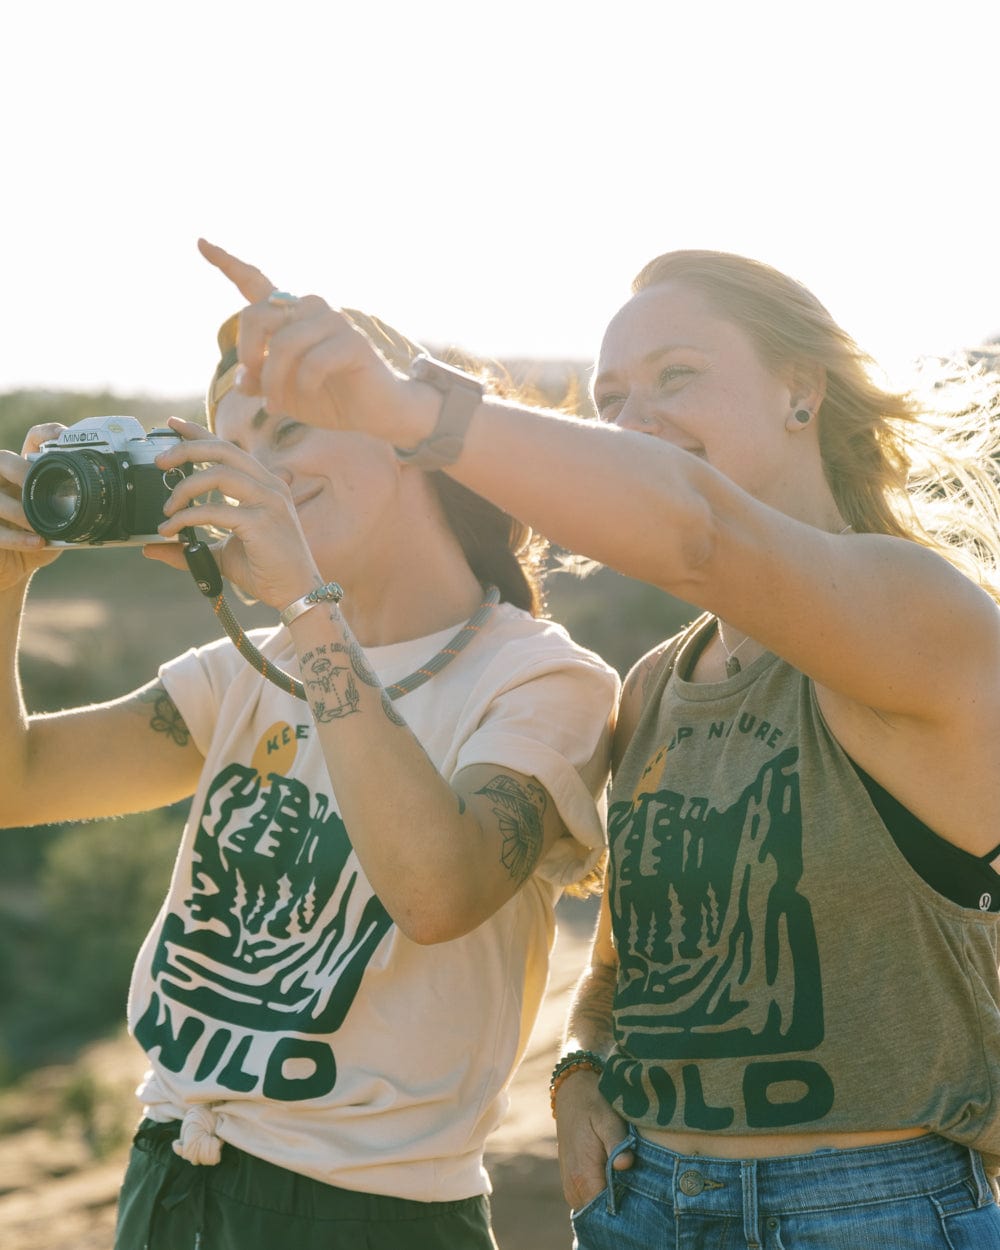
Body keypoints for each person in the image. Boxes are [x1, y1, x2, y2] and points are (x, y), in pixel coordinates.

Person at [202, 239, 1000, 1247]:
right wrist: (582, 1059)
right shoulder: (660, 680)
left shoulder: (926, 611)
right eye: (610, 398)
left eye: (676, 377)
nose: (634, 421)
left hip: (868, 1208)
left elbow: (698, 533)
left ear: (802, 389)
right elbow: (634, 952)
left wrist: (406, 409)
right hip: (644, 1199)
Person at [0, 287, 620, 1249]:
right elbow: (18, 783)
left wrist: (306, 606)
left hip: (371, 1213)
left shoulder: (543, 681)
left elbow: (434, 890)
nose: (260, 467)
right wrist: (4, 587)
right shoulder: (250, 667)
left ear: (411, 438)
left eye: (289, 427)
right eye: (234, 444)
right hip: (168, 1177)